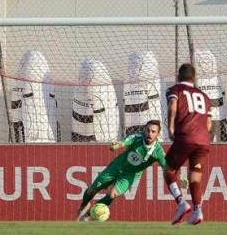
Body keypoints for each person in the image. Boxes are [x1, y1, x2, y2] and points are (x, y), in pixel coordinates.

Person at [76, 120, 166, 221]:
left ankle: (89, 214)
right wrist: (119, 144)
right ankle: (83, 206)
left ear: (158, 134)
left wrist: (178, 177)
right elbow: (126, 141)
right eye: (148, 130)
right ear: (144, 130)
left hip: (129, 175)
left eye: (153, 132)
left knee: (112, 194)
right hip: (116, 167)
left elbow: (167, 168)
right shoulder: (137, 137)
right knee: (92, 189)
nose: (150, 134)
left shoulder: (158, 152)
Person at [163, 64, 212, 225]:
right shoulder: (204, 96)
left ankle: (181, 203)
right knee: (195, 178)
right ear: (194, 77)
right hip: (204, 141)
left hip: (185, 137)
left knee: (168, 170)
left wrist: (171, 127)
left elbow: (172, 105)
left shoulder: (175, 90)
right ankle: (198, 211)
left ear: (179, 76)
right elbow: (209, 123)